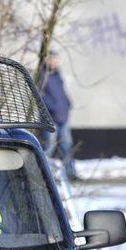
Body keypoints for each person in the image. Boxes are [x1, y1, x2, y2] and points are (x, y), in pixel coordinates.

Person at [38, 52, 78, 180]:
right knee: (49, 146)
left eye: (57, 60)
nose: (56, 63)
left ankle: (71, 173)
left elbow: (62, 93)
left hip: (63, 116)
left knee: (67, 146)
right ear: (47, 61)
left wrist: (68, 103)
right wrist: (53, 108)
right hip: (51, 118)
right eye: (53, 60)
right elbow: (41, 96)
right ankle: (45, 175)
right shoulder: (43, 76)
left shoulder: (58, 75)